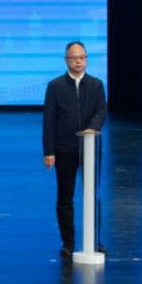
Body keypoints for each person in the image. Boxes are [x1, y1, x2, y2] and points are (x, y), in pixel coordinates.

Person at [42, 41, 107, 257]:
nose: (78, 61)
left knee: (92, 195)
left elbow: (101, 111)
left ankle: (94, 240)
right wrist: (48, 151)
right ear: (66, 60)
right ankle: (68, 242)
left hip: (90, 148)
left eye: (81, 57)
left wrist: (91, 129)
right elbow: (49, 120)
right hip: (64, 149)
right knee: (65, 197)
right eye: (73, 58)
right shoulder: (56, 86)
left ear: (86, 59)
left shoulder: (96, 85)